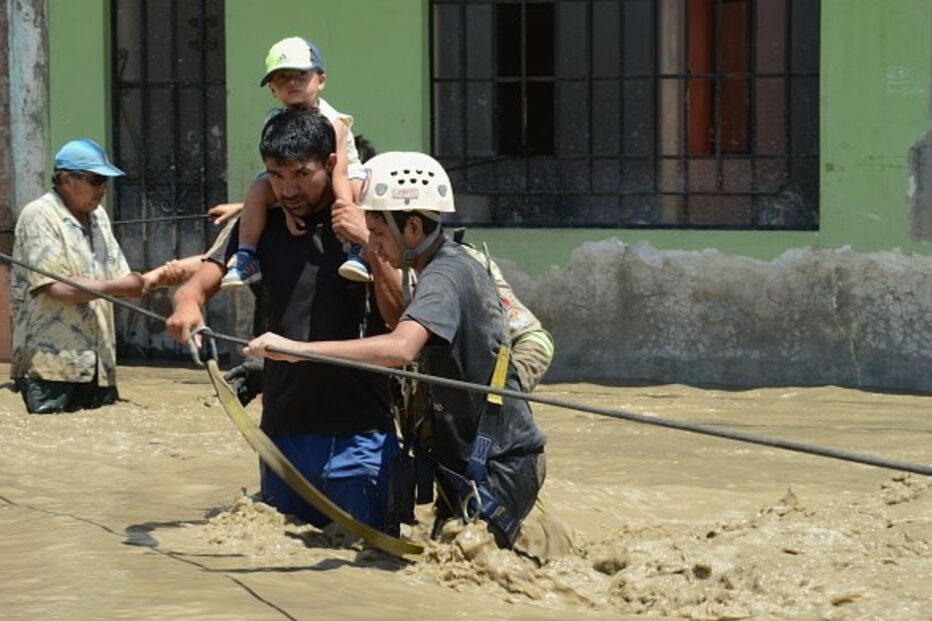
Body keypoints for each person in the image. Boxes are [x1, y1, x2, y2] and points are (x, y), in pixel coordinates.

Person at [245, 151, 547, 548]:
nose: (372, 245)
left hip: (496, 467)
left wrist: (299, 350)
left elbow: (400, 348)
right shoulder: (438, 268)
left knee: (479, 577)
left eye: (379, 233)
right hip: (463, 462)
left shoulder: (444, 276)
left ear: (414, 228)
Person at [166, 108, 401, 535]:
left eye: (301, 174)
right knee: (282, 557)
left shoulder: (373, 224)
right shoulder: (258, 225)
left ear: (331, 165)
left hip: (360, 433)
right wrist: (186, 308)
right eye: (276, 175)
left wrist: (369, 245)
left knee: (370, 563)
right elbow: (195, 288)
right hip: (282, 432)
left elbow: (400, 317)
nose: (287, 189)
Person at [11, 139, 168, 414]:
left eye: (105, 181)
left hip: (100, 366)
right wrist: (121, 286)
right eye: (96, 180)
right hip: (52, 368)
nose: (103, 189)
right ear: (65, 180)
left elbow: (120, 273)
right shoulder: (38, 216)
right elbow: (58, 288)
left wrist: (159, 277)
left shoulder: (99, 217)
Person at [221, 36, 369, 289]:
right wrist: (288, 208)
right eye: (281, 78)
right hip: (296, 179)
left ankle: (357, 249)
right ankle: (246, 255)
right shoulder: (273, 121)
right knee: (258, 188)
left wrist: (344, 210)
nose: (291, 83)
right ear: (271, 89)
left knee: (359, 189)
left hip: (341, 174)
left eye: (300, 76)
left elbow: (341, 173)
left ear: (320, 80)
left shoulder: (335, 122)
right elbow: (276, 169)